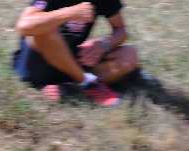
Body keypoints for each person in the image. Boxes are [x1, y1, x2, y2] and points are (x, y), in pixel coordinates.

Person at [12, 1, 140, 107]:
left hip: (70, 61)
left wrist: (103, 45)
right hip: (37, 64)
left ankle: (68, 87)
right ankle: (88, 83)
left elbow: (121, 30)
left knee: (129, 54)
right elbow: (24, 26)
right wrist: (70, 13)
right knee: (45, 30)